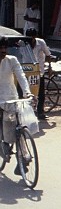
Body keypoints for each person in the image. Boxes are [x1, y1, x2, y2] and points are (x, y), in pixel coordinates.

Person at [0, 38, 32, 171]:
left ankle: (23, 158)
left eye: (4, 49)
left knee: (16, 127)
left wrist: (27, 92)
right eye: (0, 50)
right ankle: (4, 146)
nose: (3, 52)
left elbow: (21, 75)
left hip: (11, 98)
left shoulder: (11, 60)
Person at [24, 28, 52, 120]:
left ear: (35, 36)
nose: (31, 39)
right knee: (27, 92)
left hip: (39, 71)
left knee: (41, 93)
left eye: (32, 37)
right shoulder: (22, 43)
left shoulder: (41, 43)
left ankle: (40, 112)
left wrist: (50, 67)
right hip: (27, 71)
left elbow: (48, 55)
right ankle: (27, 113)